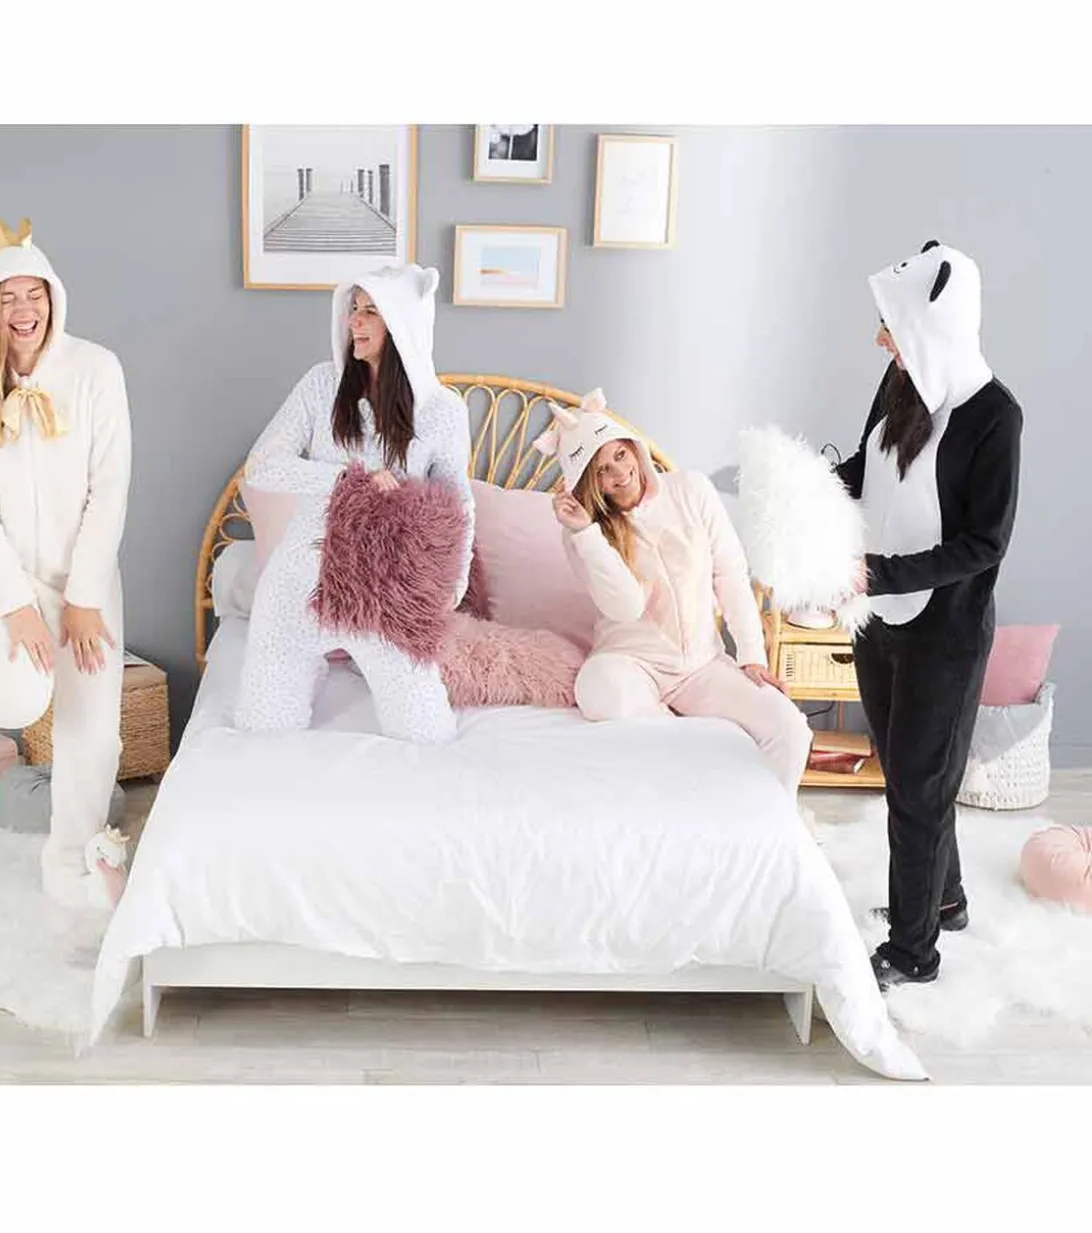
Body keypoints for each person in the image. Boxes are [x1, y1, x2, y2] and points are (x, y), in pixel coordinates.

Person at [0, 218, 132, 911]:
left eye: (34, 293)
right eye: (7, 297)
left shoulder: (97, 369)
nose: (24, 310)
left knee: (93, 729)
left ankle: (71, 865)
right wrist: (15, 605)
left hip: (82, 580)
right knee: (18, 701)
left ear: (53, 297)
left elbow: (110, 487)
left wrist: (86, 595)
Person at [836, 239, 1023, 989]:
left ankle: (913, 951)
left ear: (930, 326)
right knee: (911, 775)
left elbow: (986, 541)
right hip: (881, 615)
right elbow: (865, 467)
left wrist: (882, 571)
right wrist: (805, 490)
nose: (881, 340)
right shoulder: (901, 382)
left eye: (891, 325)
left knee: (918, 788)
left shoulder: (994, 416)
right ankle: (944, 900)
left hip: (944, 633)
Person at [232, 263, 473, 743]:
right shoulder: (322, 385)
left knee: (425, 735)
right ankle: (311, 667)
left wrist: (455, 580)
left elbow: (456, 502)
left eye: (369, 312)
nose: (353, 322)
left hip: (385, 594)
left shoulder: (442, 411)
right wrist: (346, 480)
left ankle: (353, 661)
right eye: (353, 309)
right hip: (299, 585)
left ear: (401, 324)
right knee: (262, 729)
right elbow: (261, 466)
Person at [540, 389, 813, 798]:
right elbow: (626, 607)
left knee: (789, 728)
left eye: (620, 455)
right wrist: (585, 533)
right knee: (598, 687)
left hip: (702, 665)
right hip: (632, 662)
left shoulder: (691, 490)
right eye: (600, 471)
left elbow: (730, 573)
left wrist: (751, 655)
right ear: (587, 484)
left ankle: (770, 821)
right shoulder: (581, 536)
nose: (619, 473)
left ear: (634, 448)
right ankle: (688, 765)